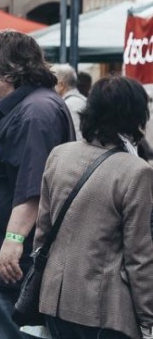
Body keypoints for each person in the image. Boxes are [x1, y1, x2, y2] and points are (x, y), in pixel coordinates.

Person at [0, 30, 74, 339]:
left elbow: (33, 186)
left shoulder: (36, 111)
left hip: (4, 264)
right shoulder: (16, 107)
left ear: (8, 70)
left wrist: (12, 241)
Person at [35, 75, 153, 339]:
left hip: (54, 300)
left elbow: (42, 232)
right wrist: (148, 319)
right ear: (135, 115)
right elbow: (140, 257)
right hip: (106, 310)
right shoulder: (136, 172)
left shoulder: (59, 155)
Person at [51, 64, 87, 135]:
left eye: (51, 83)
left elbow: (77, 137)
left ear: (61, 85)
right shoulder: (80, 100)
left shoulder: (69, 105)